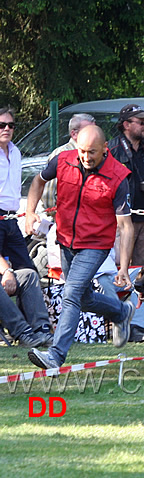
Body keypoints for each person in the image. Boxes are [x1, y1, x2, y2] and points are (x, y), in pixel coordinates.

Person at [25, 125, 136, 369]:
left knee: (71, 294)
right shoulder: (63, 160)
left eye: (92, 152)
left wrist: (124, 268)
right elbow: (38, 180)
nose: (86, 157)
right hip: (65, 240)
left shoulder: (118, 177)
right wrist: (30, 213)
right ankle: (120, 312)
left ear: (105, 149)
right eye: (82, 151)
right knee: (83, 299)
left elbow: (126, 227)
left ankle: (55, 356)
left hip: (95, 245)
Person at [0, 106, 53, 348]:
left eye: (11, 125)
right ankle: (21, 331)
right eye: (2, 125)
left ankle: (41, 329)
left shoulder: (16, 152)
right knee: (7, 274)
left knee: (30, 272)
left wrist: (29, 215)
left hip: (11, 220)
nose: (7, 129)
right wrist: (5, 270)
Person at [108, 104, 144, 266]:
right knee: (118, 265)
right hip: (121, 219)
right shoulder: (113, 149)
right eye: (141, 122)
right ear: (126, 125)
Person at [42, 113, 96, 212]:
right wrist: (59, 217)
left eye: (95, 131)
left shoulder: (97, 154)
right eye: (88, 131)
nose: (94, 135)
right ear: (74, 134)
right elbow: (48, 196)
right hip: (65, 220)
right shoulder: (62, 154)